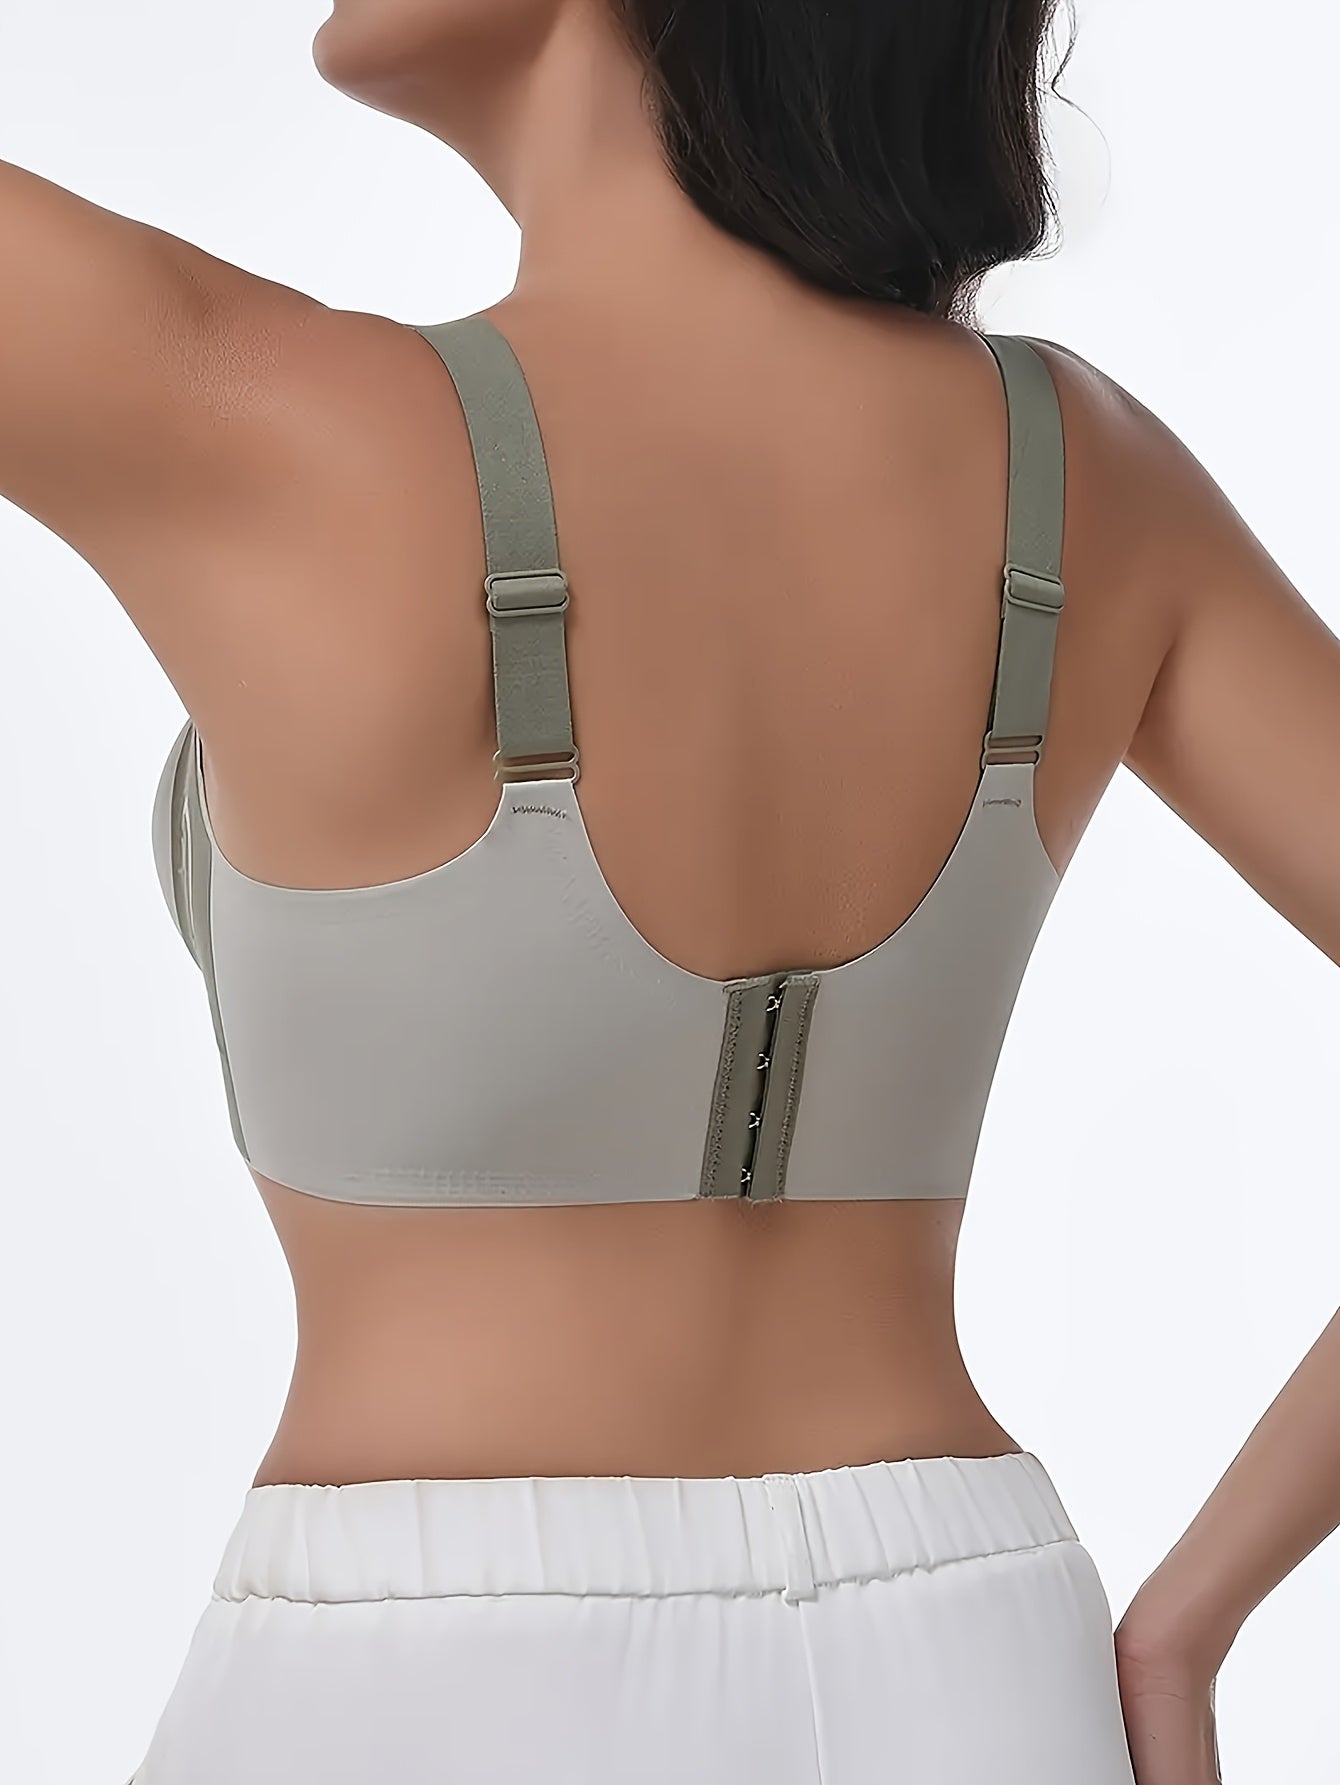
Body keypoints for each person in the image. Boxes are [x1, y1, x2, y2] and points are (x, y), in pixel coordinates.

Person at [1, 3, 1337, 1782]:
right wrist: (1188, 1624)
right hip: (980, 1667)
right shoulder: (1088, 480)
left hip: (420, 1689)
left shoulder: (250, 412)